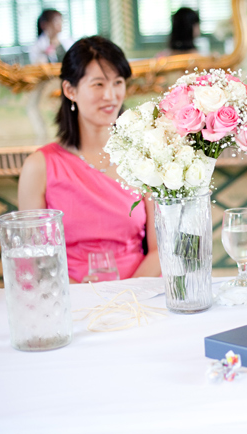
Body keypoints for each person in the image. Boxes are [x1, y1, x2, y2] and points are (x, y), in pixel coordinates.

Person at [18, 36, 160, 284]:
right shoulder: (39, 166)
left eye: (118, 82)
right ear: (70, 90)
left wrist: (125, 297)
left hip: (139, 297)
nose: (111, 95)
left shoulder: (144, 158)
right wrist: (84, 298)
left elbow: (161, 250)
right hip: (67, 298)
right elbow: (35, 256)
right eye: (98, 84)